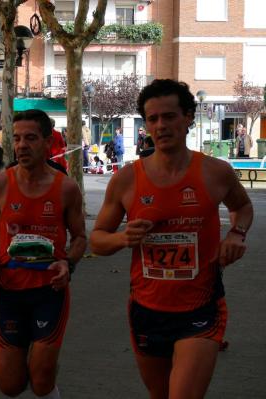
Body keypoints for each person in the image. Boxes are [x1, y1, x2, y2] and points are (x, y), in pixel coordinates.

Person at [89, 79, 253, 399]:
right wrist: (123, 239)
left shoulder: (216, 172)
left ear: (188, 117)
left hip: (201, 308)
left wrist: (236, 232)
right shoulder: (126, 179)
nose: (160, 126)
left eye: (169, 116)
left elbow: (243, 206)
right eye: (152, 119)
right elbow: (97, 240)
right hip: (147, 309)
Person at [0, 109, 86, 399]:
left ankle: (45, 372)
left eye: (31, 138)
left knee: (40, 381)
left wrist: (68, 264)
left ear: (48, 143)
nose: (22, 145)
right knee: (10, 386)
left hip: (50, 292)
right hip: (10, 291)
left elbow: (81, 238)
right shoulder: (0, 183)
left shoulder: (67, 188)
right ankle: (42, 366)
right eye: (17, 138)